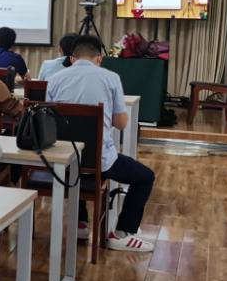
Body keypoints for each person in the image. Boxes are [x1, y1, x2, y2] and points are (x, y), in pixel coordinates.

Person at [47, 35, 156, 253]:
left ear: (72, 58)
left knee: (76, 165)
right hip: (100, 160)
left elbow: (49, 119)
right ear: (99, 58)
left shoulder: (55, 79)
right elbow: (121, 123)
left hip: (63, 160)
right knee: (145, 177)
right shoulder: (111, 77)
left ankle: (80, 223)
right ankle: (123, 233)